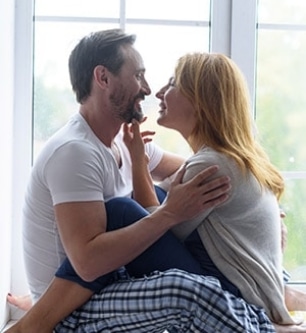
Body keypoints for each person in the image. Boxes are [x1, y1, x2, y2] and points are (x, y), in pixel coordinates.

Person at [5, 32, 306, 333]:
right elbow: (95, 259)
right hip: (79, 299)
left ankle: (271, 308)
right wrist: (172, 205)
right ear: (103, 78)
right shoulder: (76, 152)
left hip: (139, 281)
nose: (150, 90)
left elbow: (186, 184)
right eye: (138, 75)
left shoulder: (134, 145)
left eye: (170, 84)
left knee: (123, 212)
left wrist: (255, 205)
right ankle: (40, 317)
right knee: (125, 214)